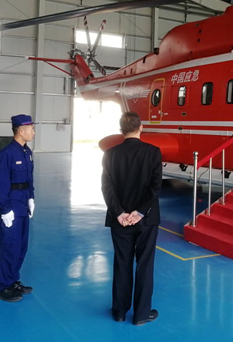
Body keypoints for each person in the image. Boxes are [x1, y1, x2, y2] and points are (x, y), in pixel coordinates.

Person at [101, 112, 162, 325]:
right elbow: (155, 187)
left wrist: (120, 213)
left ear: (121, 130)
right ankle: (141, 314)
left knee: (122, 262)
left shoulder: (110, 154)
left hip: (120, 221)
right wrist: (140, 212)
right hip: (146, 219)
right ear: (141, 127)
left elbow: (107, 187)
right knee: (145, 264)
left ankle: (119, 311)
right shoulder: (153, 152)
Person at [0, 114, 36, 302]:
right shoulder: (6, 154)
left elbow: (29, 178)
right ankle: (2, 287)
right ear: (21, 131)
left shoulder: (27, 152)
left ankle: (12, 280)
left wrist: (31, 197)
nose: (33, 132)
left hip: (23, 204)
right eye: (31, 129)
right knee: (9, 246)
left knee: (21, 246)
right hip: (10, 205)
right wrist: (4, 209)